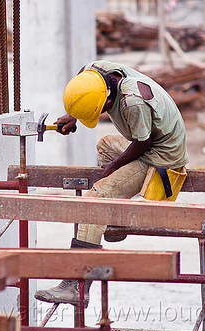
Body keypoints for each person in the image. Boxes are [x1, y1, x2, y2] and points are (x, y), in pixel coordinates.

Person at [34, 60, 189, 308]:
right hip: (154, 143)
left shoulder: (133, 102)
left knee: (93, 203)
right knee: (105, 145)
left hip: (161, 157)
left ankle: (77, 286)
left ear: (107, 102)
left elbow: (143, 143)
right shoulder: (94, 71)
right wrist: (74, 114)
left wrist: (115, 167)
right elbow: (83, 78)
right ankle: (114, 220)